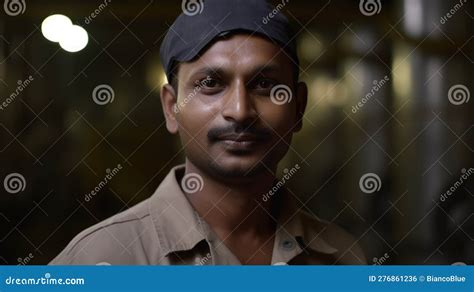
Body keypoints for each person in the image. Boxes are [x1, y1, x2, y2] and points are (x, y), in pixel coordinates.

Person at [50, 0, 366, 265]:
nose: (240, 110)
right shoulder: (99, 259)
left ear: (298, 107)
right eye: (211, 84)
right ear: (171, 107)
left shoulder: (343, 258)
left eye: (265, 84)